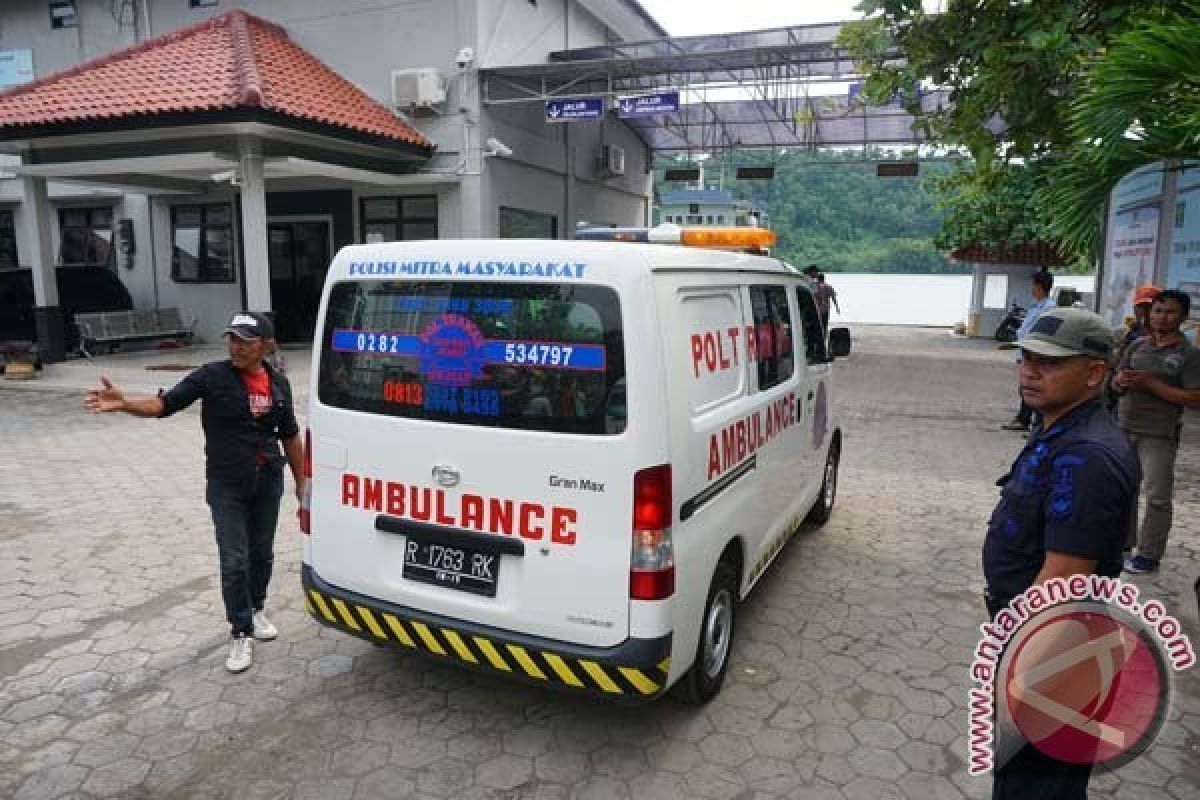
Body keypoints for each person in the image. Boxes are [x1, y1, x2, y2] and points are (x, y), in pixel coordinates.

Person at [84, 311, 304, 673]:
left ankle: (256, 609)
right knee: (235, 560)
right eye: (232, 338)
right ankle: (240, 632)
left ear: (265, 345)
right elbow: (164, 404)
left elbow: (290, 435)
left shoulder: (279, 383)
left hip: (267, 481)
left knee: (262, 554)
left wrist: (303, 483)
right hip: (226, 484)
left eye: (245, 341)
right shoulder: (212, 377)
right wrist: (125, 403)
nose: (236, 347)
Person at [982, 307, 1139, 800]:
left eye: (1049, 363)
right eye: (1025, 359)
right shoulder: (1060, 428)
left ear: (1095, 373)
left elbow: (1064, 581)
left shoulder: (1089, 456)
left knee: (1031, 788)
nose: (1029, 371)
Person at [1114, 289, 1200, 574]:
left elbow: (1194, 398)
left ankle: (1149, 554)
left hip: (1158, 433)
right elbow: (1115, 381)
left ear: (1183, 317)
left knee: (1157, 495)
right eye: (1158, 311)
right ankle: (1121, 544)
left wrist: (1152, 384)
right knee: (1125, 487)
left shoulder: (1188, 355)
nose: (1162, 318)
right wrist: (1121, 382)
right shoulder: (1138, 345)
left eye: (1170, 312)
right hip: (1126, 426)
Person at [1002, 270, 1055, 432]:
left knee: (1035, 387)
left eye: (1034, 285)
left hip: (1036, 354)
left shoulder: (1048, 307)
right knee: (1025, 387)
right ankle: (1025, 420)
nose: (1031, 289)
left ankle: (1036, 425)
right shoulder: (1035, 305)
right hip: (1025, 352)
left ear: (1040, 287)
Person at [1105, 284, 1160, 413]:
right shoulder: (1124, 333)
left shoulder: (1166, 339)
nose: (1145, 311)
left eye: (1149, 307)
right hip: (1116, 395)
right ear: (1135, 308)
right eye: (1141, 306)